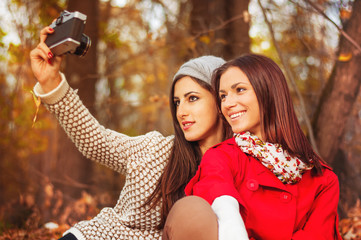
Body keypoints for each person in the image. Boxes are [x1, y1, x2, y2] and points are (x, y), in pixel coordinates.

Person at [30, 26, 233, 239]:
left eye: (192, 98)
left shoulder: (244, 162)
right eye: (177, 102)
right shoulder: (156, 151)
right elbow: (97, 141)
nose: (181, 111)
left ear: (221, 100)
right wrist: (50, 81)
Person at [164, 54, 342, 240]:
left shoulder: (323, 179)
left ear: (269, 91)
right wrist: (231, 221)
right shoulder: (223, 156)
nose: (228, 104)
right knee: (191, 210)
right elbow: (216, 193)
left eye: (239, 90)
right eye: (223, 96)